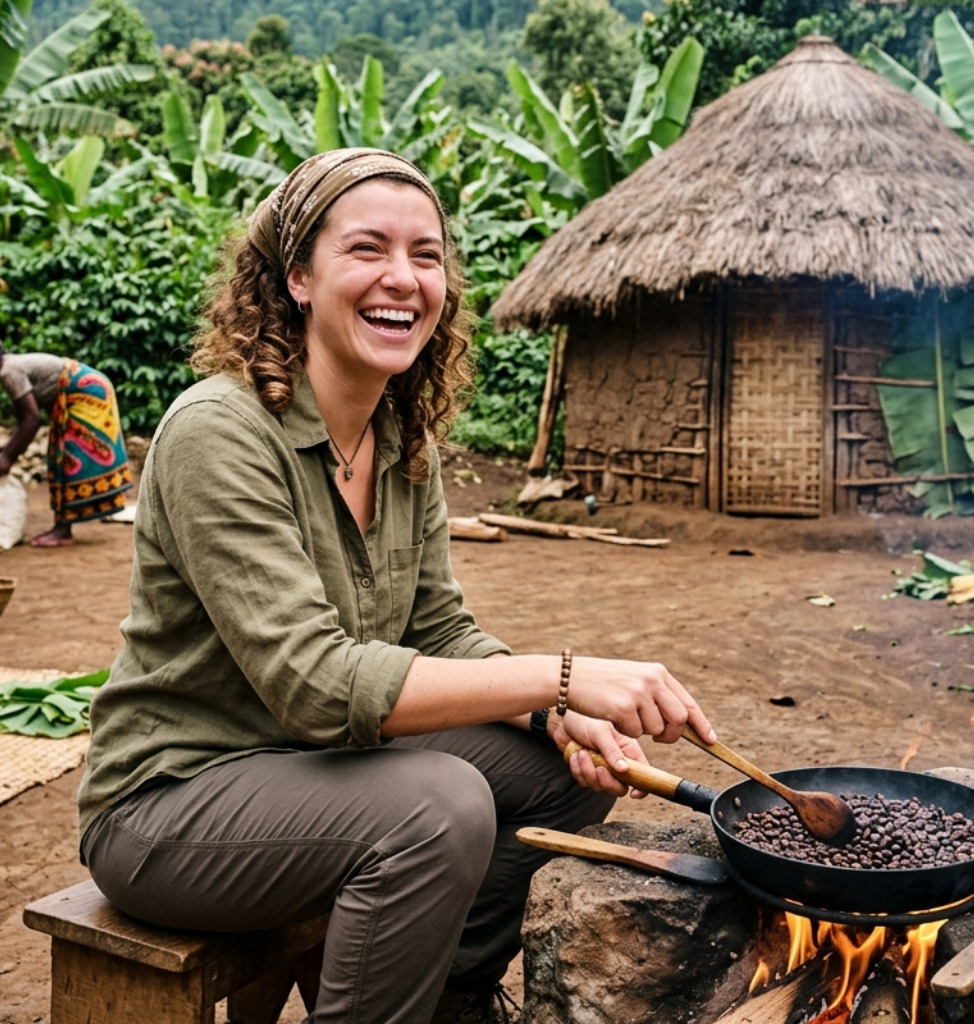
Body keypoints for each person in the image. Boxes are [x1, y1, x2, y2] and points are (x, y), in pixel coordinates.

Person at [74, 148, 716, 1024]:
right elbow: (314, 684)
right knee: (436, 807)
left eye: (426, 255)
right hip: (173, 804)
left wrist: (556, 714)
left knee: (570, 769)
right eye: (367, 248)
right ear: (298, 277)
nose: (403, 279)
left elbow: (438, 628)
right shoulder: (218, 431)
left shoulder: (402, 438)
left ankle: (451, 997)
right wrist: (563, 675)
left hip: (317, 771)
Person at [0, 334, 133, 547]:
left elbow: (32, 420)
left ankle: (63, 529)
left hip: (87, 392)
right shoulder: (10, 368)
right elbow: (23, 419)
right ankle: (66, 524)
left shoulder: (8, 372)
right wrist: (8, 451)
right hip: (86, 388)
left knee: (66, 457)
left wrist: (7, 457)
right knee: (61, 454)